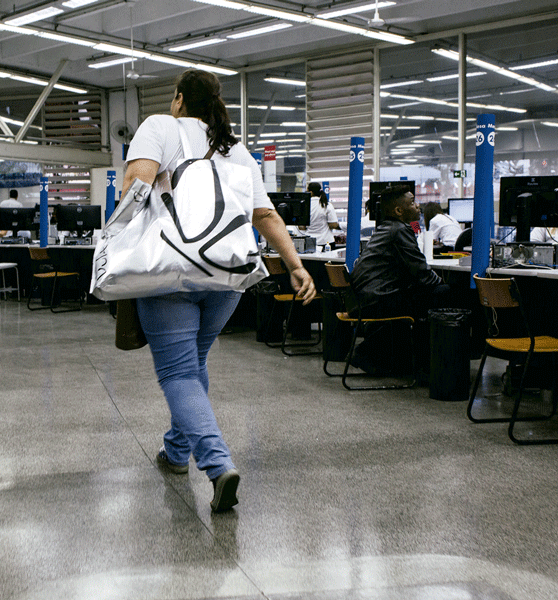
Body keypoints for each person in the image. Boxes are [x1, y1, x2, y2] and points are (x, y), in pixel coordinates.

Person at [121, 69, 316, 513]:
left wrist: (118, 245)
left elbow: (135, 189)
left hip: (171, 271)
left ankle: (217, 463)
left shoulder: (159, 128)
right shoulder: (235, 147)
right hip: (228, 276)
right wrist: (296, 265)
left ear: (178, 99)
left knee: (178, 373)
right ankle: (174, 453)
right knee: (194, 364)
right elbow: (265, 215)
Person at [349, 185, 451, 374]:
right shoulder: (399, 231)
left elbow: (417, 238)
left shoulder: (388, 228)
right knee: (443, 293)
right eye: (412, 203)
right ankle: (428, 363)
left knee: (428, 295)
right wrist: (443, 283)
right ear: (398, 210)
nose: (418, 207)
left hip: (366, 298)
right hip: (379, 300)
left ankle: (376, 353)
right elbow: (422, 273)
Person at [299, 182, 340, 247]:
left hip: (310, 242)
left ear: (311, 192)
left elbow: (302, 227)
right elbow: (333, 225)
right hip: (327, 242)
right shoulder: (327, 205)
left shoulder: (303, 206)